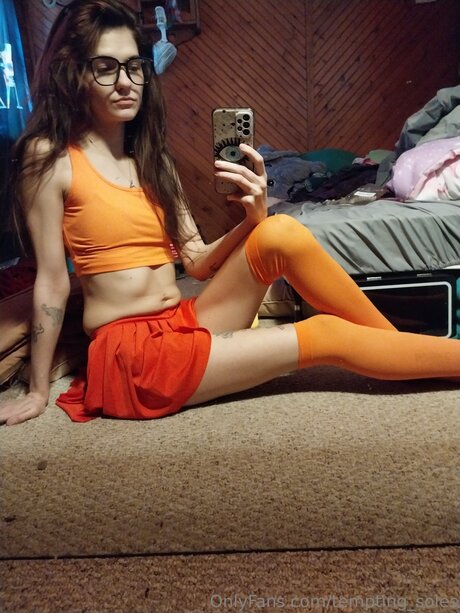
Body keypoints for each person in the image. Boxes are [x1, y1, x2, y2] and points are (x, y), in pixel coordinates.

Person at [1, 0, 459, 426]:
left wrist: (252, 219)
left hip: (181, 320)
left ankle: (402, 354)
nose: (125, 82)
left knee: (279, 232)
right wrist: (38, 391)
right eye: (105, 67)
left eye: (134, 66)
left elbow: (197, 262)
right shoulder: (51, 157)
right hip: (133, 354)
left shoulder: (153, 160)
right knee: (326, 334)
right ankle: (414, 356)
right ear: (74, 73)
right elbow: (52, 281)